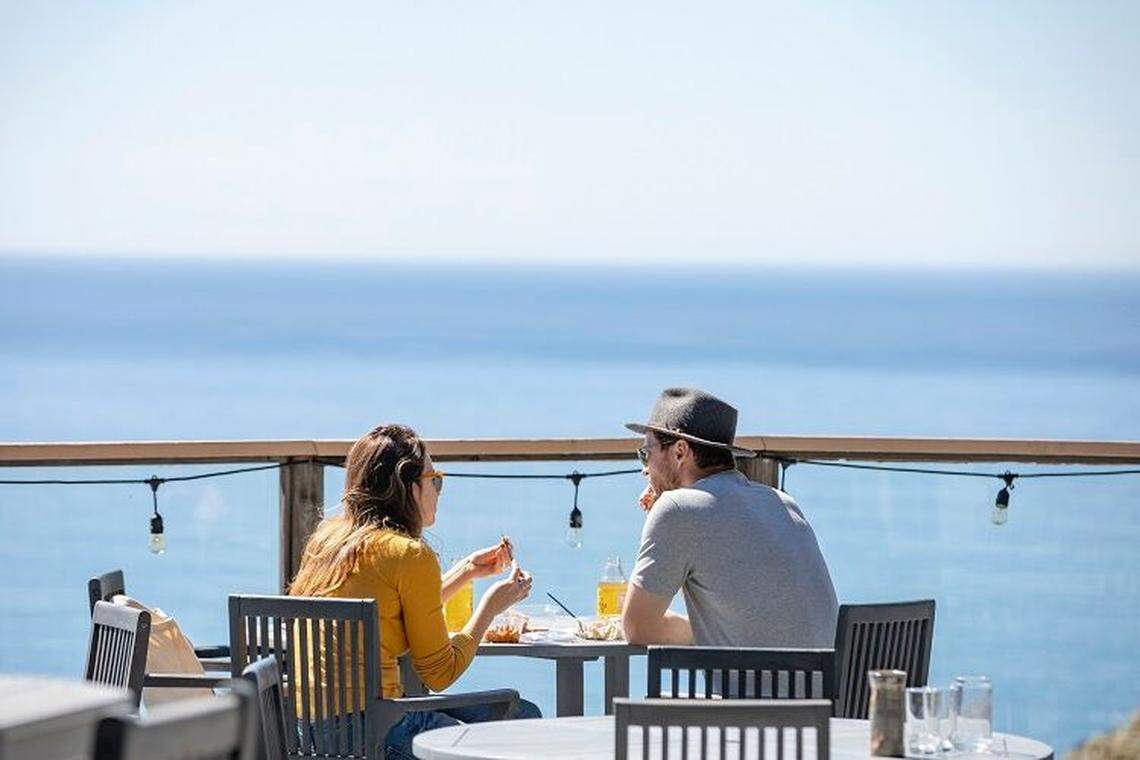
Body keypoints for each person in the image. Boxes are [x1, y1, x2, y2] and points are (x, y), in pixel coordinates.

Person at [289, 423, 541, 760]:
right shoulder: (409, 554)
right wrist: (489, 608)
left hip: (307, 733)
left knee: (511, 714)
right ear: (409, 488)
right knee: (522, 718)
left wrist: (465, 571)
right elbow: (439, 673)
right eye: (434, 480)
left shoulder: (327, 542)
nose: (438, 489)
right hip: (377, 732)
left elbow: (388, 612)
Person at [621, 387, 838, 649]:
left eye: (647, 452)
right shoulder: (781, 502)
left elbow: (638, 628)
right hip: (829, 687)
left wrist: (710, 629)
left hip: (752, 689)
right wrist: (727, 626)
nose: (645, 468)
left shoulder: (678, 510)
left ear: (680, 451)